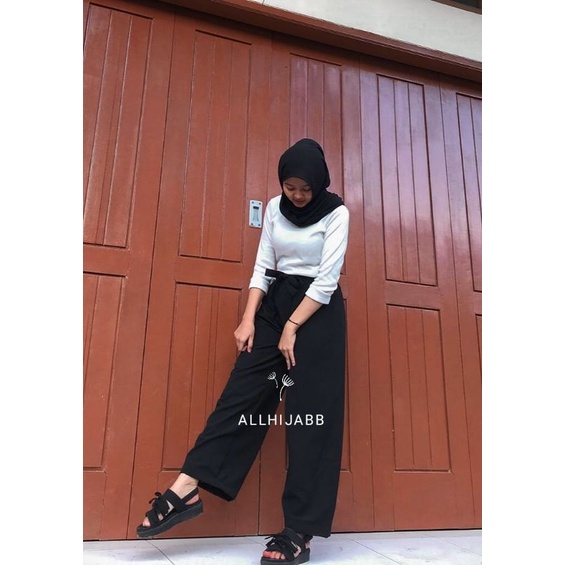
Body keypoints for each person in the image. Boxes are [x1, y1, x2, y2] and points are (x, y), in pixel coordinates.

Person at [137, 138, 349, 565]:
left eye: (305, 188)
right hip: (274, 306)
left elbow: (327, 280)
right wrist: (249, 318)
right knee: (240, 395)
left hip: (318, 312)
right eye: (290, 187)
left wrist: (293, 327)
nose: (297, 195)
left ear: (320, 183)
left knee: (311, 420)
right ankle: (187, 485)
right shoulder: (274, 208)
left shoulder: (337, 213)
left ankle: (299, 531)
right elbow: (263, 266)